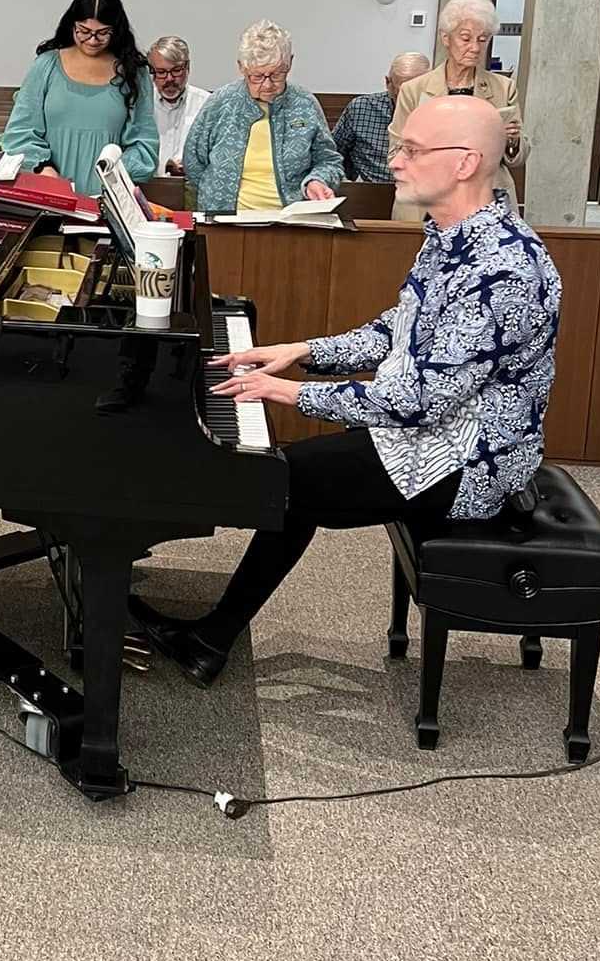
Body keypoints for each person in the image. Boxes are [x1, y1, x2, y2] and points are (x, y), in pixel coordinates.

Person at [136, 96, 561, 688]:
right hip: (435, 433)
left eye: (411, 150)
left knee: (283, 480)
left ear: (465, 163)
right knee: (294, 482)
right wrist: (302, 352)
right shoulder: (454, 236)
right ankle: (212, 637)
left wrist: (289, 395)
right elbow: (398, 330)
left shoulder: (502, 268)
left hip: (471, 461)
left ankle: (208, 636)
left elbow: (418, 399)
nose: (394, 161)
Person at [0, 0, 159, 196]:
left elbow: (144, 143)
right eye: (84, 31)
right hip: (49, 193)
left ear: (116, 30)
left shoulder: (133, 73)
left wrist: (114, 174)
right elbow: (19, 133)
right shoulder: (46, 65)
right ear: (71, 25)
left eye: (103, 33)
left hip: (109, 197)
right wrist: (42, 167)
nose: (92, 40)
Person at [180, 20, 342, 213]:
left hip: (291, 222)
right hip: (226, 222)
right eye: (256, 76)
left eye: (276, 75)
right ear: (241, 67)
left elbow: (328, 160)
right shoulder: (221, 102)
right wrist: (216, 197)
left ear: (290, 63)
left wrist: (317, 181)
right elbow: (193, 162)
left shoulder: (304, 104)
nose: (267, 85)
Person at [389, 0, 522, 219]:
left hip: (486, 202)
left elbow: (517, 156)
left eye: (483, 39)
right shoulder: (414, 90)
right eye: (465, 38)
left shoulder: (503, 88)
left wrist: (512, 140)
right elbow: (395, 152)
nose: (475, 47)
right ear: (445, 38)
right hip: (425, 204)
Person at [332, 52, 431, 182]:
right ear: (388, 84)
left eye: (416, 96)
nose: (407, 104)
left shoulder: (440, 112)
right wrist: (344, 183)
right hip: (373, 192)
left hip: (424, 193)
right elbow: (331, 153)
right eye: (401, 96)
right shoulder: (361, 108)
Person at [145, 35, 211, 177]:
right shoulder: (141, 105)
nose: (169, 79)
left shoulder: (207, 104)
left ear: (187, 67)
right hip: (149, 188)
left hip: (191, 188)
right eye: (161, 72)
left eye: (176, 70)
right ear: (151, 71)